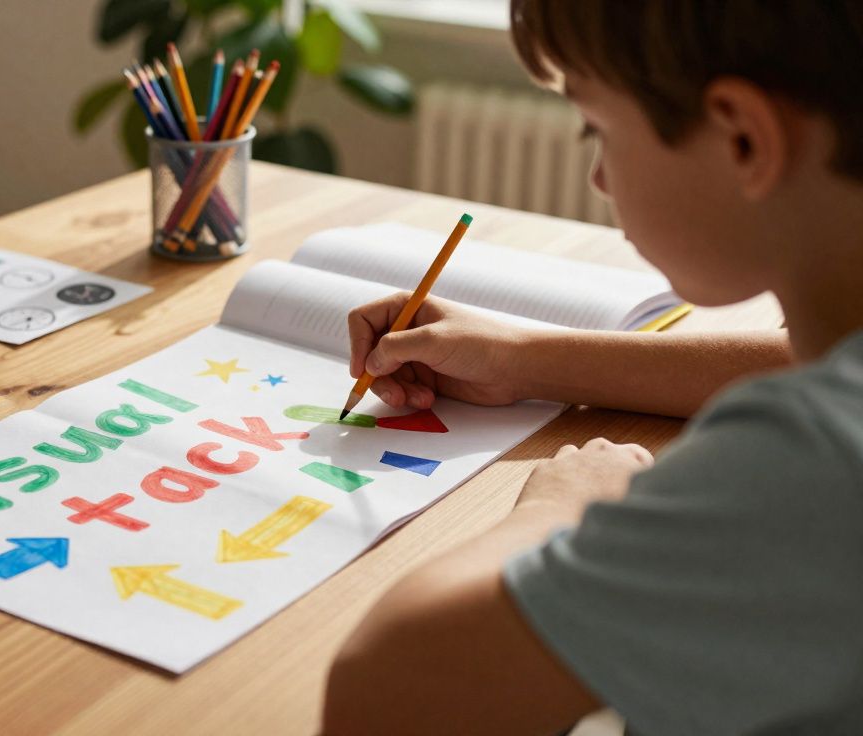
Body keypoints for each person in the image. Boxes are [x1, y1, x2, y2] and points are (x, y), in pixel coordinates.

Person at [322, 2, 863, 734]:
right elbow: (800, 363)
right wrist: (520, 358)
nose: (600, 177)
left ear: (742, 139)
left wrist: (562, 512)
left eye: (597, 128)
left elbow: (381, 696)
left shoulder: (805, 465)